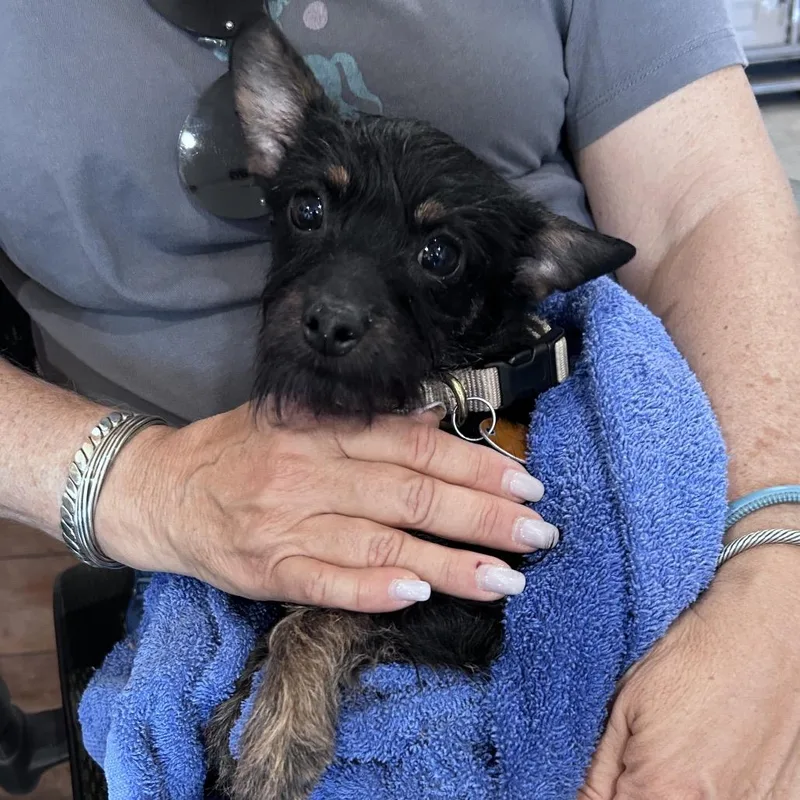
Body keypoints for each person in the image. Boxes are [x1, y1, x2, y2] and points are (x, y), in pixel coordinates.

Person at [1, 0, 799, 796]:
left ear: (528, 272)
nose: (337, 310)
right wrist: (137, 481)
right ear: (272, 162)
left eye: (438, 253)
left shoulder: (531, 319)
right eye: (311, 212)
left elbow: (705, 209)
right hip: (163, 529)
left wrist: (775, 565)